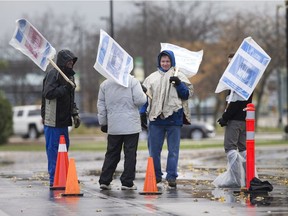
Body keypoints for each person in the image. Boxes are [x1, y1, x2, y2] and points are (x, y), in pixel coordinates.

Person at [140, 50, 193, 188]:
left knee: (173, 151)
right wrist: (141, 113)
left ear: (172, 62)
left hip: (174, 119)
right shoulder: (151, 78)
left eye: (168, 61)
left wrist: (179, 84)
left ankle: (171, 177)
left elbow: (186, 95)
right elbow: (145, 98)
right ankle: (156, 176)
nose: (165, 63)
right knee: (154, 151)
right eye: (163, 61)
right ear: (159, 62)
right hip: (155, 119)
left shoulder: (179, 75)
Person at [97, 75, 147, 190]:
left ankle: (105, 180)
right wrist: (143, 92)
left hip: (114, 124)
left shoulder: (105, 84)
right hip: (131, 125)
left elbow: (101, 105)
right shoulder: (132, 81)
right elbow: (140, 100)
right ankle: (127, 182)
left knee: (112, 153)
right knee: (130, 154)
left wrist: (103, 122)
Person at [41, 49, 81, 187]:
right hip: (52, 120)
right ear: (62, 62)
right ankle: (54, 179)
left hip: (64, 120)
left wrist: (74, 113)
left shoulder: (70, 77)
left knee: (64, 149)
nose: (71, 63)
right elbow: (48, 93)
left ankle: (63, 175)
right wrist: (65, 88)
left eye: (72, 61)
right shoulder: (54, 74)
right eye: (69, 61)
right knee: (53, 150)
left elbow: (71, 99)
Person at [214, 53, 253, 187]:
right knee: (243, 148)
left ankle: (237, 179)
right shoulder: (248, 80)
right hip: (244, 119)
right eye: (228, 63)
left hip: (236, 119)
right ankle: (249, 176)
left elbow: (236, 103)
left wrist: (225, 118)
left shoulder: (239, 82)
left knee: (230, 147)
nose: (229, 66)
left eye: (232, 63)